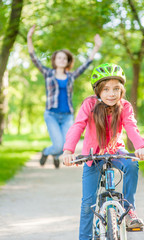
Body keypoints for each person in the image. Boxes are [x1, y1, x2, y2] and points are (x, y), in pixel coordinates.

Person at [62, 63, 144, 239]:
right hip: (92, 155)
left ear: (122, 90)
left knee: (132, 164)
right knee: (88, 204)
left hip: (116, 151)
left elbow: (131, 127)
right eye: (107, 89)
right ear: (98, 91)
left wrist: (141, 147)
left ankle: (128, 208)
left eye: (116, 88)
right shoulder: (89, 104)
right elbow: (78, 126)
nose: (112, 93)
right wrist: (68, 151)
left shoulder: (124, 106)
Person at [27, 25, 102, 168]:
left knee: (65, 146)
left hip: (67, 115)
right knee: (58, 145)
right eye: (59, 57)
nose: (61, 60)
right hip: (52, 115)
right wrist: (29, 38)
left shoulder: (71, 76)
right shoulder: (48, 73)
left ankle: (54, 154)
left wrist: (96, 47)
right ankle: (47, 152)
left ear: (68, 61)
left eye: (64, 58)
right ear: (54, 60)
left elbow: (86, 64)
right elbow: (34, 57)